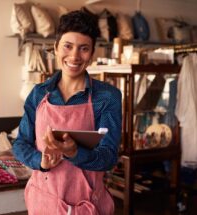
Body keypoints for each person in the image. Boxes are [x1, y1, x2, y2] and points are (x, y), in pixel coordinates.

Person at [12, 10, 122, 215]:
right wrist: (40, 161)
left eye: (83, 49)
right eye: (68, 46)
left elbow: (108, 157)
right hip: (43, 201)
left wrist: (74, 153)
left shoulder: (107, 97)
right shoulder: (38, 94)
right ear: (55, 48)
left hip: (87, 204)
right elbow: (20, 143)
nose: (74, 56)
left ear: (92, 53)